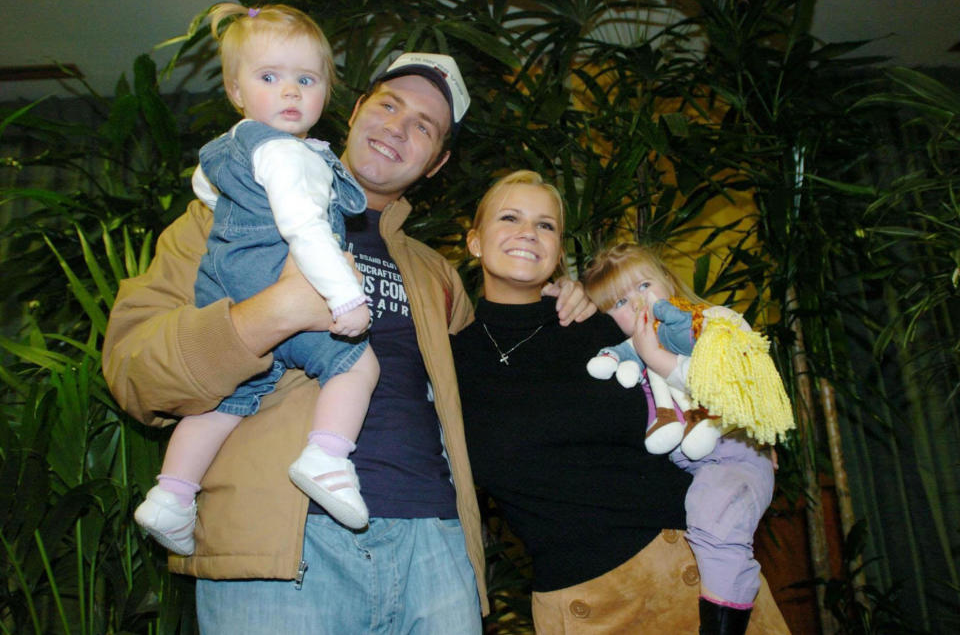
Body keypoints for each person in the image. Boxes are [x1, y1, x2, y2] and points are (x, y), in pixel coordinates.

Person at [103, 46, 593, 631]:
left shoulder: (435, 273)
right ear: (357, 109)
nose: (398, 128)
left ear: (435, 163)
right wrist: (271, 313)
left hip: (434, 552)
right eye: (389, 105)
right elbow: (135, 372)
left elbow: (496, 386)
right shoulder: (223, 221)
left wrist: (561, 304)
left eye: (425, 127)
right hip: (282, 552)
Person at [450, 170, 789, 634]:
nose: (528, 233)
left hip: (695, 579)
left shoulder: (606, 327)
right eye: (510, 218)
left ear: (558, 250)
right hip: (579, 606)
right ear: (474, 242)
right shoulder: (451, 362)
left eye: (545, 225)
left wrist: (746, 433)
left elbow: (704, 369)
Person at [133, 3, 379, 557]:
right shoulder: (288, 156)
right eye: (271, 77)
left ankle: (171, 496)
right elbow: (304, 230)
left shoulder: (230, 146)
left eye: (306, 79)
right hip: (276, 273)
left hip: (223, 284)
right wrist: (345, 296)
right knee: (357, 364)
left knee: (225, 402)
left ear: (325, 93)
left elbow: (207, 187)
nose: (290, 92)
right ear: (236, 89)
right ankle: (327, 457)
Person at [582, 242, 785, 632]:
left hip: (733, 450)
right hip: (683, 466)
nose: (638, 304)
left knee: (714, 523)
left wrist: (657, 357)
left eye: (643, 287)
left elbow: (730, 381)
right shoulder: (629, 350)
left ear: (668, 281)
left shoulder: (714, 321)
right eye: (620, 303)